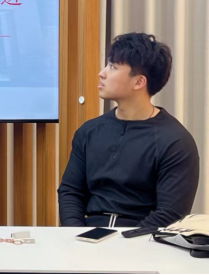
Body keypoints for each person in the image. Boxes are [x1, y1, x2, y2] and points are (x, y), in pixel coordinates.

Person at [58, 33, 199, 229]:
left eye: (113, 67)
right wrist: (76, 235)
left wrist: (125, 241)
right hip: (88, 235)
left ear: (139, 82)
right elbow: (70, 191)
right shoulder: (89, 131)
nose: (102, 73)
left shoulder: (176, 141)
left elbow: (170, 213)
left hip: (143, 239)